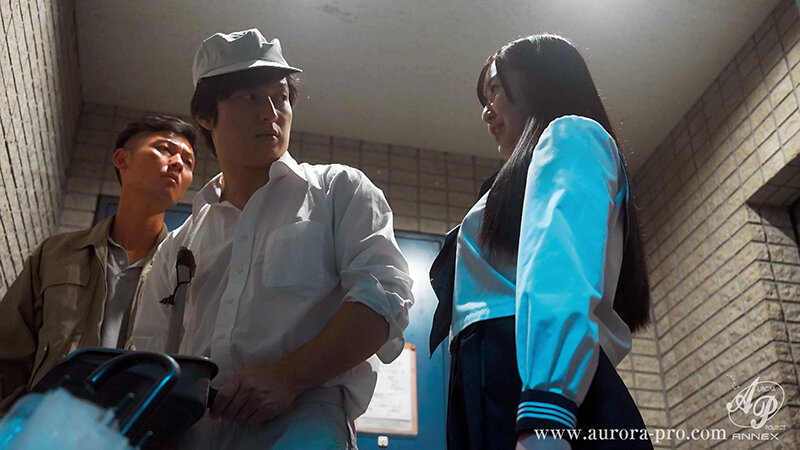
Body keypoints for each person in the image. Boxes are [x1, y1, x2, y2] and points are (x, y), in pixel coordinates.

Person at [129, 29, 413, 449]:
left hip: (306, 426)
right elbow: (150, 353)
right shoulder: (180, 244)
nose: (270, 113)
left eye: (280, 98)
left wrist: (288, 378)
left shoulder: (338, 191)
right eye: (249, 97)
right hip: (192, 435)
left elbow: (385, 296)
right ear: (206, 116)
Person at [429, 35, 653, 449]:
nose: (486, 111)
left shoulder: (571, 134)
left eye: (495, 89)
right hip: (493, 374)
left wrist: (548, 411)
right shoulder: (515, 178)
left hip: (531, 385)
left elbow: (559, 270)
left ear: (539, 81)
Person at [0, 115, 196, 413]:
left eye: (189, 161)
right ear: (122, 159)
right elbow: (8, 350)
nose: (178, 163)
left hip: (136, 428)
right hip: (46, 424)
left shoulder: (185, 270)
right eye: (165, 149)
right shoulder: (57, 253)